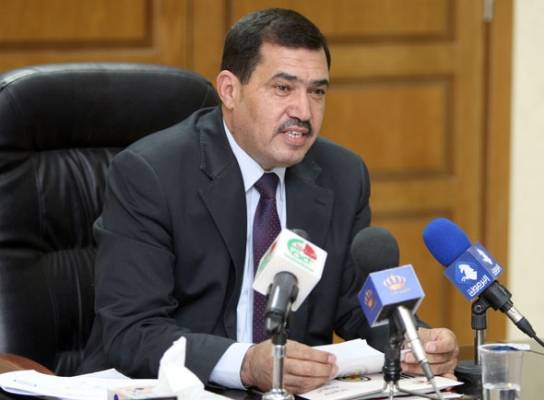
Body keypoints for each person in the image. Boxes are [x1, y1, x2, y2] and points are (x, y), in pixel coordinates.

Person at [79, 8, 458, 394]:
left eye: (317, 91)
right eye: (283, 88)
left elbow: (356, 304)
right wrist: (244, 364)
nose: (303, 112)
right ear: (230, 90)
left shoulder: (342, 175)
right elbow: (133, 330)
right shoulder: (151, 174)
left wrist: (412, 341)